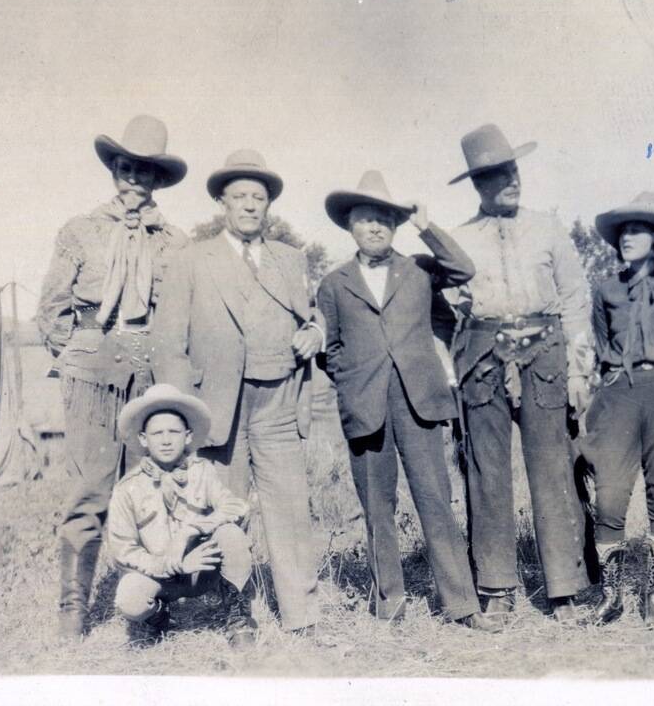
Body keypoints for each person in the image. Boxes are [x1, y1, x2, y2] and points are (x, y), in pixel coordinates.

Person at [316, 171, 500, 632]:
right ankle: (389, 605)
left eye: (384, 219)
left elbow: (464, 269)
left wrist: (427, 226)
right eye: (364, 220)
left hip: (418, 399)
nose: (374, 227)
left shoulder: (418, 268)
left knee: (435, 499)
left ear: (395, 226)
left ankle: (462, 605)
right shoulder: (334, 283)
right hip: (365, 405)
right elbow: (329, 348)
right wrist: (350, 383)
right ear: (350, 227)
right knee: (376, 505)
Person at [151, 149, 324, 635]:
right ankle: (234, 611)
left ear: (268, 205)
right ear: (221, 203)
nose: (250, 205)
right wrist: (188, 413)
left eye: (259, 197)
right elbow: (169, 343)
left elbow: (308, 316)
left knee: (289, 504)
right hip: (218, 408)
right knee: (226, 511)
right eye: (240, 197)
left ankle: (301, 613)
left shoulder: (291, 260)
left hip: (279, 400)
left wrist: (314, 331)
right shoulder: (191, 259)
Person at [36, 114, 188, 639]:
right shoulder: (80, 230)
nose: (133, 179)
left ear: (156, 179)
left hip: (148, 373)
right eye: (125, 168)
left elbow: (179, 316)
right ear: (113, 170)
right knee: (89, 491)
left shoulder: (174, 242)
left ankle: (146, 608)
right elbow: (51, 310)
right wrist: (82, 354)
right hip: (90, 372)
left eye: (144, 172)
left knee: (147, 492)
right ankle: (72, 610)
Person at [445, 124, 595, 622]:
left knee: (553, 466)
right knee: (488, 468)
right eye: (494, 175)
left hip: (546, 353)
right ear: (477, 184)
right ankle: (496, 586)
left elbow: (575, 299)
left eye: (511, 170)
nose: (508, 180)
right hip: (483, 355)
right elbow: (445, 309)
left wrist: (578, 370)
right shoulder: (460, 239)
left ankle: (566, 588)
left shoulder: (549, 228)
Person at [581, 192, 654, 626]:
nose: (628, 237)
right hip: (618, 393)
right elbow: (599, 348)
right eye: (624, 230)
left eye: (638, 229)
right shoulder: (607, 289)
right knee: (609, 494)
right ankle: (611, 596)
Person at [107, 384, 257, 647]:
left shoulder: (203, 471)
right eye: (157, 433)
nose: (166, 440)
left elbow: (236, 507)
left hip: (202, 571)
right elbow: (122, 550)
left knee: (231, 533)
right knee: (129, 597)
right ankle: (158, 616)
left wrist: (190, 531)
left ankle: (237, 617)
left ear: (187, 436)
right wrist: (169, 564)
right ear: (143, 439)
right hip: (159, 577)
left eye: (174, 432)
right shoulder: (127, 488)